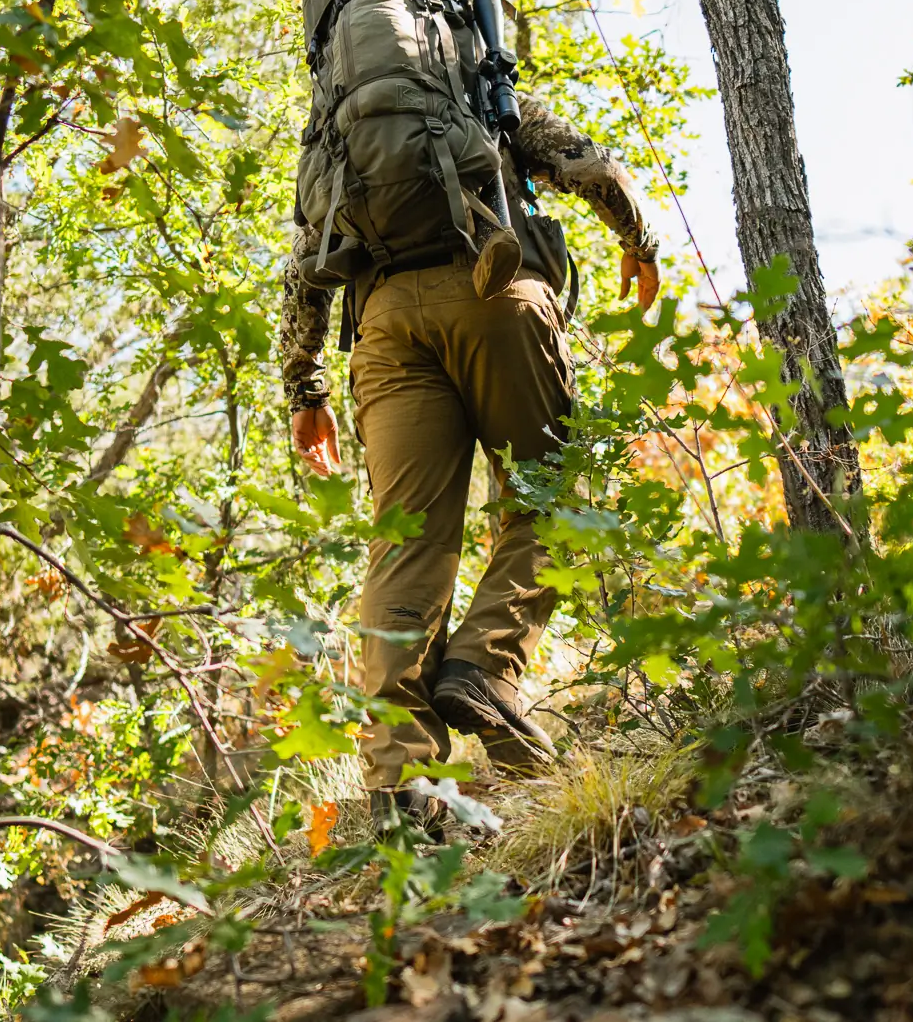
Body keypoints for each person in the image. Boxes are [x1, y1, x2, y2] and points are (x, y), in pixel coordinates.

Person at [278, 85, 660, 827]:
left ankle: (399, 781)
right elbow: (588, 167)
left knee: (406, 541)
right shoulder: (477, 87)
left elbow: (305, 262)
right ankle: (484, 666)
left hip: (384, 326)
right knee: (552, 496)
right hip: (494, 287)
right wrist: (637, 239)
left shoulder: (336, 130)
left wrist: (305, 388)